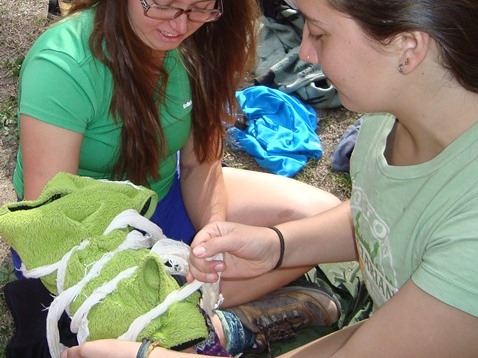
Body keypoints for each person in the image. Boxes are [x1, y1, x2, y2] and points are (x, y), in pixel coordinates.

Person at [63, 0, 478, 356]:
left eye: (318, 32)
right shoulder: (391, 118)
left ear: (407, 47)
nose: (305, 51)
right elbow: (383, 218)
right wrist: (277, 246)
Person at [8, 0, 342, 356]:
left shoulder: (208, 39)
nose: (180, 26)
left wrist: (214, 238)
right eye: (164, 5)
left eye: (199, 8)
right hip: (86, 230)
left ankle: (191, 323)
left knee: (322, 223)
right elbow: (52, 215)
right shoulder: (62, 65)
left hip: (166, 195)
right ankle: (210, 324)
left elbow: (201, 166)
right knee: (107, 323)